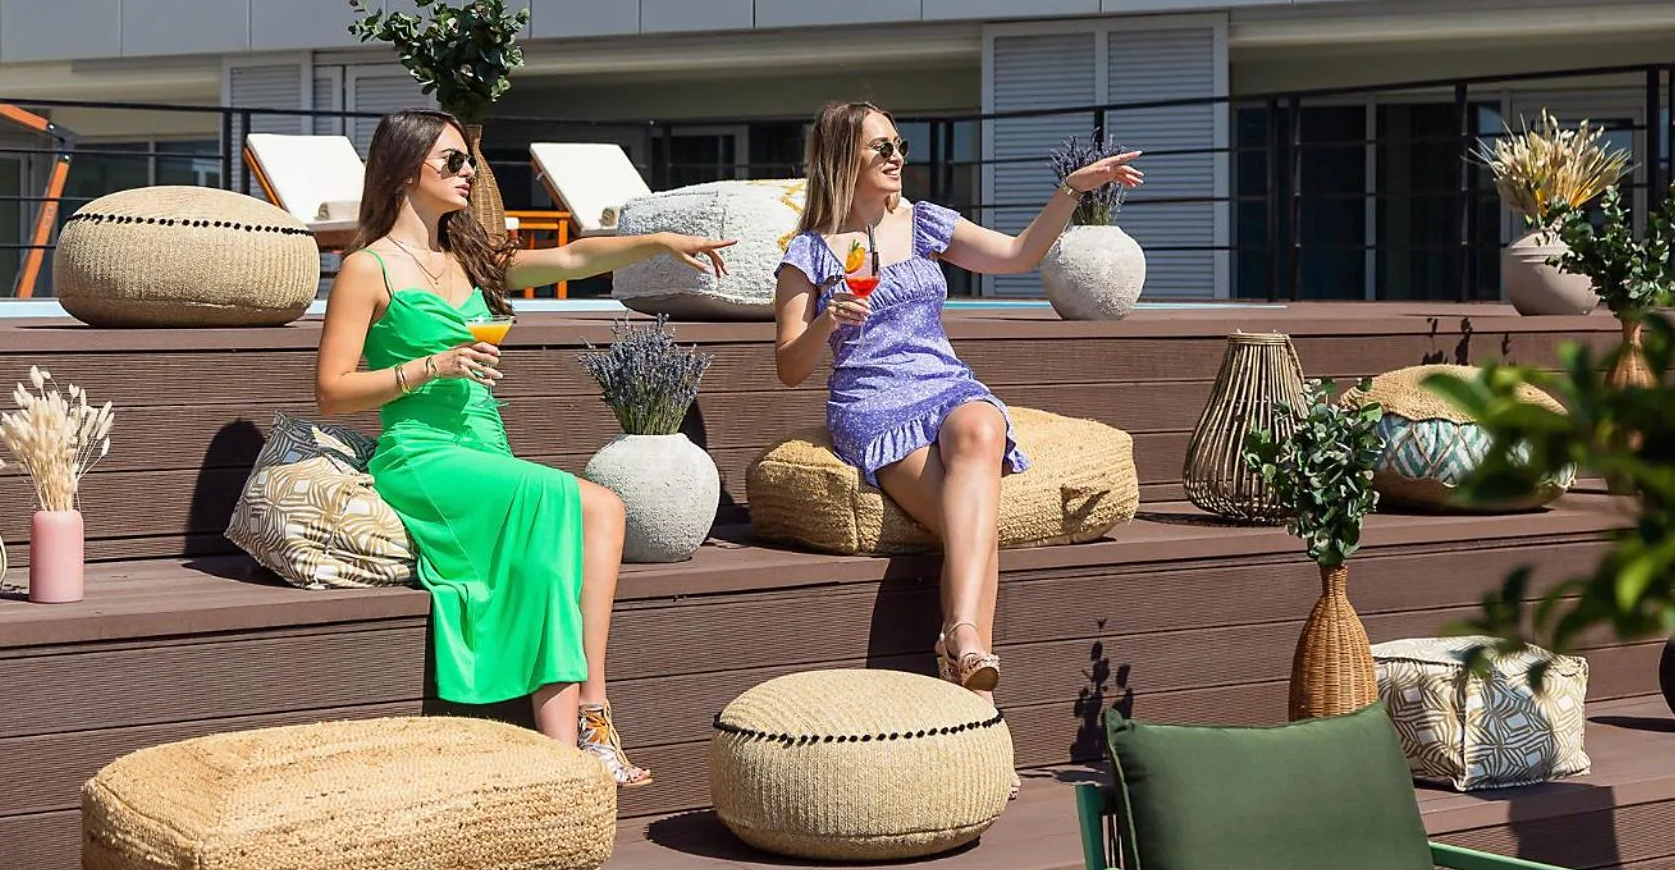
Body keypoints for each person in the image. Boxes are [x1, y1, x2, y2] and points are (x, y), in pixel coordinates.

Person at [315, 110, 731, 786]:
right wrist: (428, 367)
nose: (467, 173)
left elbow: (572, 258)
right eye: (451, 161)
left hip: (488, 450)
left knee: (563, 554)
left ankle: (570, 749)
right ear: (403, 168)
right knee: (589, 505)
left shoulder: (468, 258)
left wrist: (652, 241)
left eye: (468, 162)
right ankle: (590, 721)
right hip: (422, 455)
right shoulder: (367, 269)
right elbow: (332, 391)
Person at [772, 101, 1143, 705]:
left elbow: (1019, 255)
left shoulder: (923, 224)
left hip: (946, 385)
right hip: (874, 404)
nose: (897, 158)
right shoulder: (809, 254)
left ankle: (962, 638)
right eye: (881, 148)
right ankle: (973, 678)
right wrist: (826, 321)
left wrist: (1072, 191)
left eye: (899, 145)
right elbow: (789, 368)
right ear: (844, 158)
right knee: (974, 524)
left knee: (980, 427)